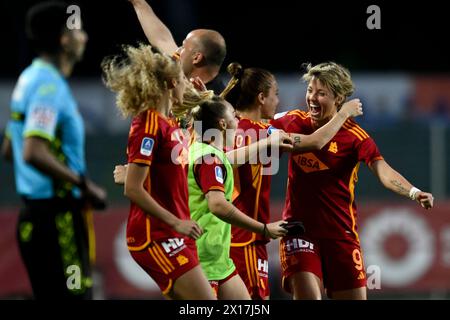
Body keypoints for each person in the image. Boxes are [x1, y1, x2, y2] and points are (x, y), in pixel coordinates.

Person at [271, 62, 435, 300]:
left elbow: (383, 171)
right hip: (299, 231)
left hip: (341, 235)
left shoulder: (356, 137)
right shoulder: (292, 121)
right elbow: (255, 125)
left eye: (321, 93)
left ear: (338, 98)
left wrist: (413, 192)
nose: (312, 98)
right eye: (310, 91)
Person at [221, 62, 363, 299]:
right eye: (275, 95)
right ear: (261, 98)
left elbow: (214, 159)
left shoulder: (226, 127)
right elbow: (316, 142)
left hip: (224, 236)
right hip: (245, 239)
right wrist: (344, 113)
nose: (278, 101)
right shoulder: (265, 133)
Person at [3, 1, 106, 299]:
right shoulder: (49, 87)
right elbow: (32, 151)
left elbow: (10, 147)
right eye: (79, 30)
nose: (84, 36)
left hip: (34, 218)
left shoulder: (28, 78)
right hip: (59, 219)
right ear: (64, 39)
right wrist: (84, 186)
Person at [102, 43, 216, 300]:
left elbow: (162, 171)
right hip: (155, 235)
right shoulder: (148, 121)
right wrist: (176, 222)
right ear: (171, 83)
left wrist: (204, 98)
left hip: (177, 231)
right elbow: (134, 188)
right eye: (183, 81)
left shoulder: (171, 123)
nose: (187, 85)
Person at [187, 96, 291, 299]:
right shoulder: (209, 159)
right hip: (204, 258)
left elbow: (230, 159)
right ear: (223, 124)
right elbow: (217, 205)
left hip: (220, 260)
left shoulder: (200, 151)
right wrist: (263, 228)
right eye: (234, 116)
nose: (238, 120)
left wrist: (268, 141)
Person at [128, 0, 226, 94]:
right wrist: (138, 2)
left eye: (183, 47)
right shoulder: (185, 76)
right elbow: (162, 39)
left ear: (196, 58)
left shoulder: (219, 105)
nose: (177, 50)